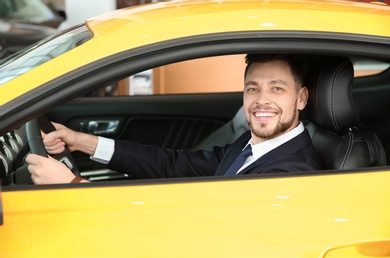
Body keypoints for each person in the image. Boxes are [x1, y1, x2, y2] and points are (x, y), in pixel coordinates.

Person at [26, 54, 323, 184]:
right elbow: (174, 164)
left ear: (301, 98)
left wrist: (73, 184)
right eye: (252, 88)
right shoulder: (253, 144)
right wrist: (82, 142)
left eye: (278, 88)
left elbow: (200, 223)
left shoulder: (290, 171)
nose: (262, 100)